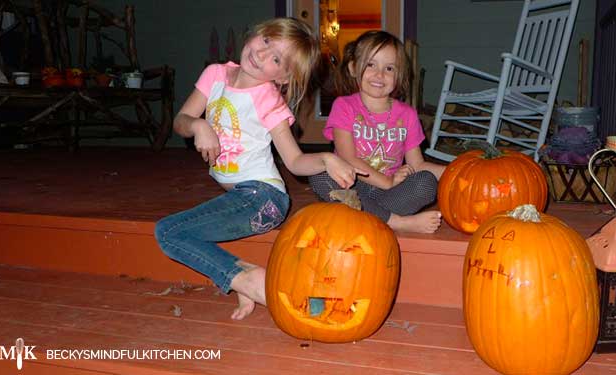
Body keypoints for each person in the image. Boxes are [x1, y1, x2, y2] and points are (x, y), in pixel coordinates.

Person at [154, 18, 363, 321]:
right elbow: (181, 119)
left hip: (264, 199)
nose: (262, 54)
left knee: (168, 232)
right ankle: (244, 275)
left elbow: (293, 161)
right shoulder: (216, 74)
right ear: (256, 34)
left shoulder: (269, 100)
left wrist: (327, 159)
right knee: (174, 233)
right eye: (266, 41)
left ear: (283, 77)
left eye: (277, 58)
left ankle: (249, 280)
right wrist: (199, 125)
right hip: (241, 198)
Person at [309, 31, 445, 234]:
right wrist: (387, 182)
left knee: (426, 182)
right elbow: (348, 158)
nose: (379, 74)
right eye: (371, 64)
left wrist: (458, 172)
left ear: (398, 76)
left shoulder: (407, 114)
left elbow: (417, 164)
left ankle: (366, 215)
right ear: (353, 67)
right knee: (320, 173)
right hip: (353, 186)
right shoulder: (344, 106)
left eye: (389, 68)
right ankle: (395, 222)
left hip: (388, 195)